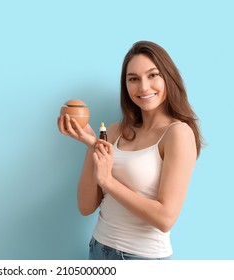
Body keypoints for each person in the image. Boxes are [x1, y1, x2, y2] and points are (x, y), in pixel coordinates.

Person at [57, 41, 202, 260]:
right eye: (133, 79)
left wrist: (108, 182)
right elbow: (86, 207)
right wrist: (92, 145)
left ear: (168, 78)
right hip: (98, 249)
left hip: (142, 260)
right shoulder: (115, 131)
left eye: (153, 75)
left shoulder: (177, 133)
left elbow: (165, 218)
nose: (143, 87)